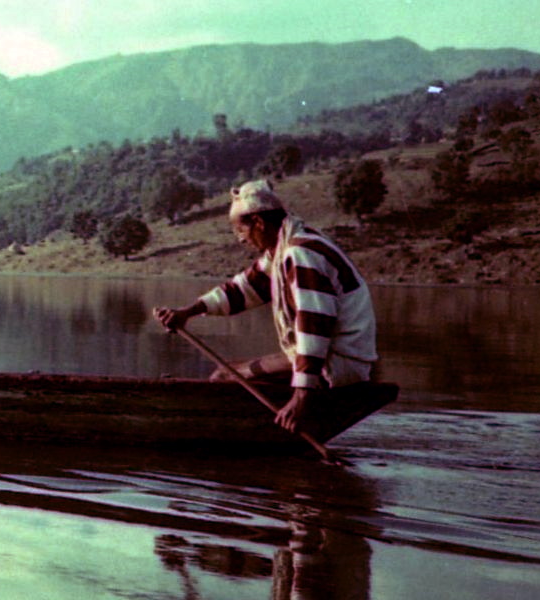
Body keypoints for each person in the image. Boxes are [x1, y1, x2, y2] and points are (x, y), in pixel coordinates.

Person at [153, 180, 378, 436]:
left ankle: (249, 434)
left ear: (259, 223)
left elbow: (313, 325)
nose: (241, 239)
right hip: (333, 359)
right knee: (229, 369)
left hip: (338, 365)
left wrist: (302, 395)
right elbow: (242, 290)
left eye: (241, 230)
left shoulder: (300, 253)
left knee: (223, 377)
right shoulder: (284, 250)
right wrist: (188, 312)